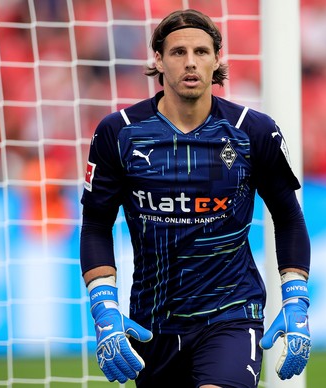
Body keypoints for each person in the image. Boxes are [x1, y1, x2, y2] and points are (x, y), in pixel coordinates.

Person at [79, 9, 312, 387]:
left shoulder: (252, 131)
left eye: (202, 52)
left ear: (217, 59)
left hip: (231, 315)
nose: (191, 62)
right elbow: (95, 226)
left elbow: (288, 217)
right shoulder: (118, 133)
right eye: (178, 52)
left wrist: (296, 298)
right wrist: (104, 309)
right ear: (158, 59)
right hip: (152, 322)